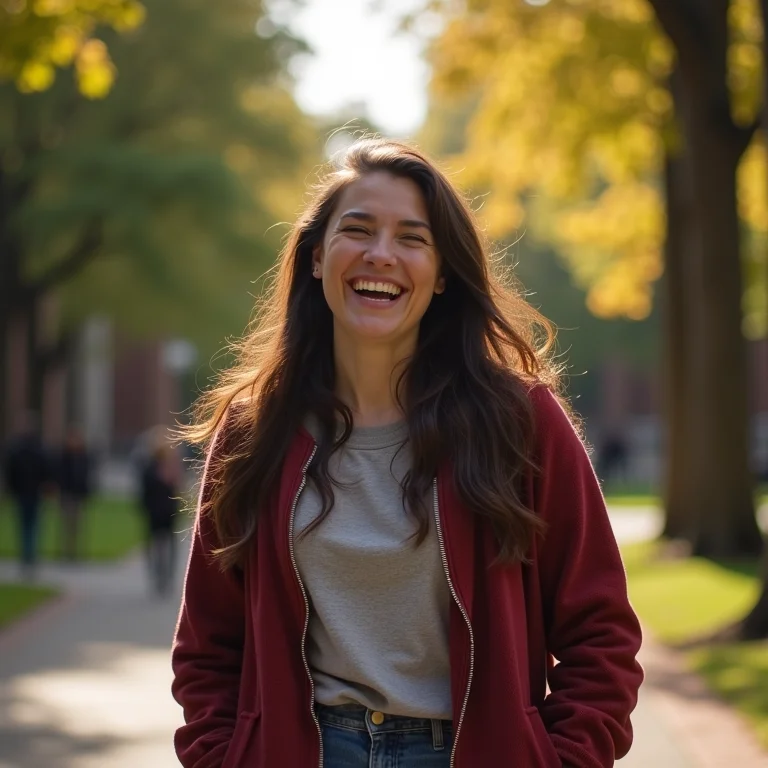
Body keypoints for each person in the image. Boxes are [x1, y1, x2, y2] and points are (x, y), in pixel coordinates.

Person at [171, 138, 643, 768]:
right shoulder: (254, 430)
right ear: (317, 257)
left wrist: (562, 758)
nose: (381, 254)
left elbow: (601, 633)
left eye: (412, 238)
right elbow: (208, 643)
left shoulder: (519, 421)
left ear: (442, 273)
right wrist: (222, 755)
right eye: (357, 230)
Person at [2, 413, 52, 579]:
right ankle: (30, 556)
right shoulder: (39, 448)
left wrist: (9, 491)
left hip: (24, 493)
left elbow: (10, 473)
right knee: (32, 526)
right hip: (32, 493)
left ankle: (27, 556)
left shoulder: (16, 449)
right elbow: (46, 470)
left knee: (25, 526)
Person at [140, 441, 179, 596]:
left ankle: (166, 576)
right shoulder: (150, 470)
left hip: (168, 513)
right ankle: (159, 575)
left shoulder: (170, 468)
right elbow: (146, 492)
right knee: (158, 546)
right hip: (156, 513)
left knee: (166, 546)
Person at [56, 425, 91, 561]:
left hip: (79, 495)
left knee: (78, 526)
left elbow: (86, 476)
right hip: (67, 494)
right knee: (66, 525)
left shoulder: (83, 456)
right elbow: (60, 475)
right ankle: (66, 552)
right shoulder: (65, 456)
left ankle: (75, 552)